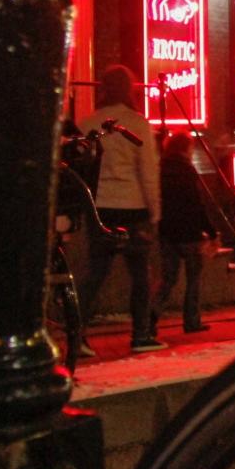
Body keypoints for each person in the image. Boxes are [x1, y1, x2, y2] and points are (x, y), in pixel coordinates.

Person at [79, 64, 163, 354]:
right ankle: (141, 334)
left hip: (100, 205)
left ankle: (76, 332)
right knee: (140, 274)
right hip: (133, 204)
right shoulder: (137, 124)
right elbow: (148, 173)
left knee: (96, 272)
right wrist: (155, 212)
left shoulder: (88, 123)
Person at [151, 131, 215, 336]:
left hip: (168, 231)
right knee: (193, 279)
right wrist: (210, 230)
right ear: (186, 148)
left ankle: (150, 318)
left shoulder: (159, 168)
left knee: (168, 279)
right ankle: (191, 320)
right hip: (189, 232)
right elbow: (197, 203)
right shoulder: (187, 170)